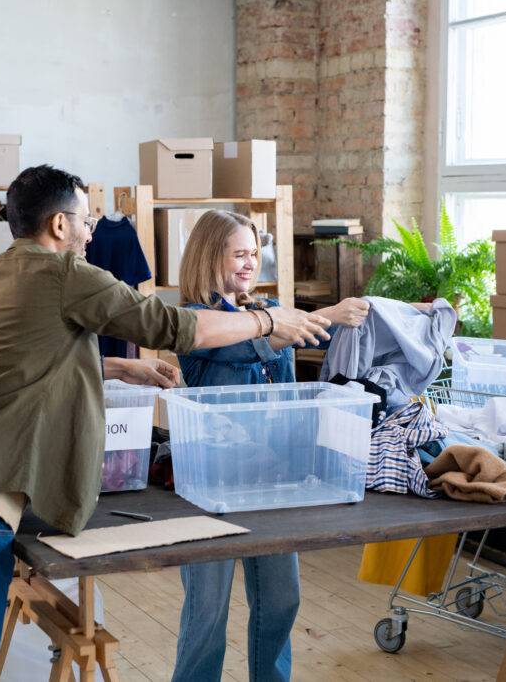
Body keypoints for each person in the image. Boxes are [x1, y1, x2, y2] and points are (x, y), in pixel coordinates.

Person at [0, 166, 332, 680]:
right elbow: (174, 326)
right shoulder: (65, 274)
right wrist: (270, 320)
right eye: (87, 218)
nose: (92, 230)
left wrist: (122, 366)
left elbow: (16, 363)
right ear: (59, 225)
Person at [171, 210, 369, 682]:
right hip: (212, 483)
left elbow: (287, 352)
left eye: (255, 254)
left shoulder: (262, 314)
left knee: (282, 598)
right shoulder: (195, 320)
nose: (249, 263)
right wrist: (327, 314)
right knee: (207, 613)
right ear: (207, 256)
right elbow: (245, 346)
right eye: (238, 253)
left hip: (273, 478)